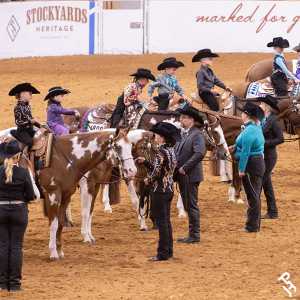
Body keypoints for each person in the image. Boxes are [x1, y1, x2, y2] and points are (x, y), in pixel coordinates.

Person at [137, 122, 180, 262]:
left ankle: (162, 253)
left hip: (160, 190)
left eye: (157, 134)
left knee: (162, 223)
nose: (155, 135)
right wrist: (146, 162)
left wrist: (148, 180)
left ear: (162, 138)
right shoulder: (171, 150)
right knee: (166, 222)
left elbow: (156, 173)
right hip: (169, 189)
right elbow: (163, 168)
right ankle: (168, 251)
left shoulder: (161, 151)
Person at [0, 140, 37, 292]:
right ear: (17, 157)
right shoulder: (23, 173)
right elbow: (30, 195)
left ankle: (3, 283)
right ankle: (15, 284)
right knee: (16, 248)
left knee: (3, 247)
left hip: (1, 210)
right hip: (19, 211)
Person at [228, 103, 265, 233]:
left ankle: (253, 226)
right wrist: (234, 147)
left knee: (253, 196)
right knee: (254, 195)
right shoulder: (254, 127)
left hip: (251, 165)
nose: (241, 114)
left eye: (243, 113)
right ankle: (252, 224)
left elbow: (245, 151)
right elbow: (243, 145)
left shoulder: (249, 130)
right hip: (256, 162)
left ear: (247, 115)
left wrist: (241, 170)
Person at [174, 105, 205, 244]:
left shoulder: (197, 134)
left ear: (191, 120)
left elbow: (200, 153)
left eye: (183, 117)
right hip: (183, 174)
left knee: (191, 205)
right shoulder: (183, 133)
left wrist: (185, 167)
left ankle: (195, 235)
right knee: (188, 204)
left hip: (190, 174)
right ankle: (192, 234)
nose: (181, 119)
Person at [259, 95, 284, 218]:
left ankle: (253, 212)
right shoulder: (260, 119)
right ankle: (273, 211)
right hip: (261, 156)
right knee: (266, 184)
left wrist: (265, 143)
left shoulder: (274, 120)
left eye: (261, 104)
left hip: (269, 156)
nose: (260, 106)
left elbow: (280, 139)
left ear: (267, 107)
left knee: (258, 183)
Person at [9, 83, 41, 151]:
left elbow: (32, 119)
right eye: (30, 94)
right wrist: (30, 122)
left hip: (29, 131)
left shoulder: (28, 106)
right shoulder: (17, 107)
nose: (31, 96)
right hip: (21, 132)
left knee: (41, 136)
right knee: (29, 142)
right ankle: (21, 157)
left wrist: (40, 126)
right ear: (22, 94)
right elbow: (18, 122)